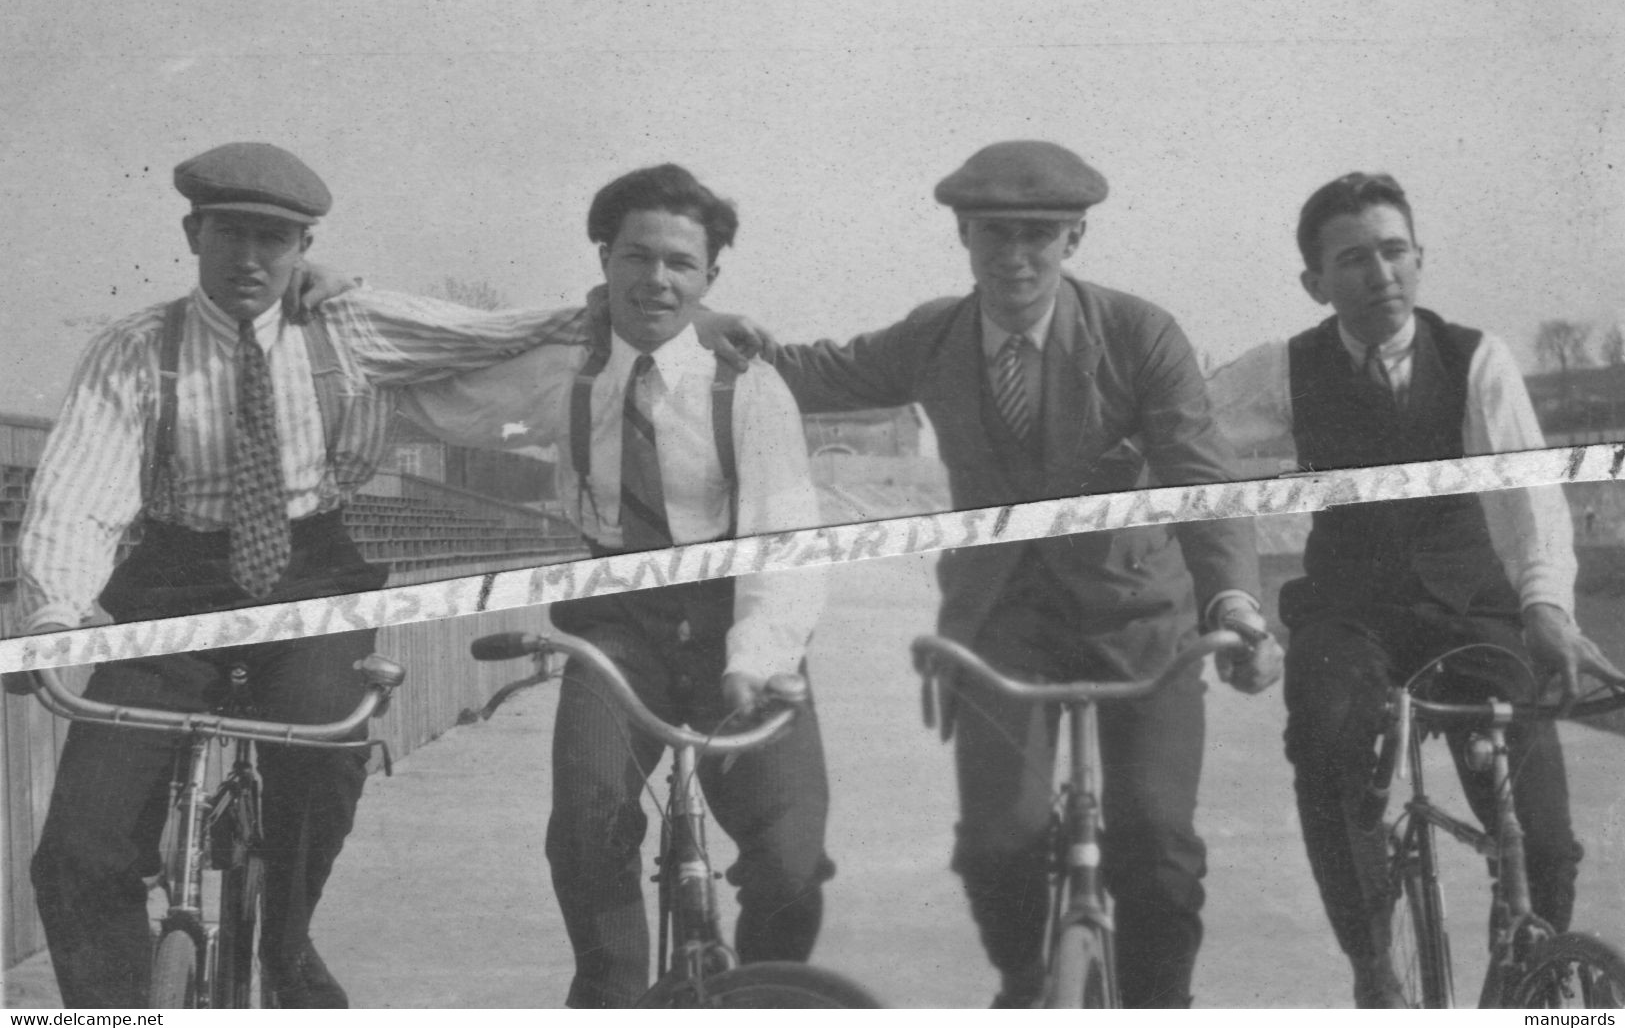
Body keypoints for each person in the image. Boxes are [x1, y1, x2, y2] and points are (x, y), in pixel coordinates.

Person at [14, 142, 592, 1008]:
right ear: (192, 232)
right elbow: (81, 494)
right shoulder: (136, 349)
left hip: (312, 577)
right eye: (232, 234)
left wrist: (653, 319)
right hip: (175, 588)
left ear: (304, 246)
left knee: (328, 748)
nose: (251, 259)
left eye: (275, 240)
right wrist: (57, 616)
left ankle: (284, 945)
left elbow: (502, 331)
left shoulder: (347, 324)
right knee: (79, 850)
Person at [712, 141, 1283, 1008]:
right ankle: (1026, 981)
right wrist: (718, 332)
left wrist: (1234, 603)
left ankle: (1162, 1008)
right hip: (998, 628)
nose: (1015, 257)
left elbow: (1199, 478)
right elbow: (813, 374)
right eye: (992, 236)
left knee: (1157, 848)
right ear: (963, 237)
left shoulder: (1138, 334)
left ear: (1075, 237)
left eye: (1038, 236)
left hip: (1137, 623)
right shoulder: (936, 336)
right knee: (995, 844)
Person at [380, 164, 832, 1008]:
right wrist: (342, 339)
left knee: (790, 856)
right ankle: (613, 996)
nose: (655, 279)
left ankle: (766, 997)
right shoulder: (565, 376)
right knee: (586, 824)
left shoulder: (750, 386)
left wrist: (757, 657)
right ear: (603, 260)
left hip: (740, 617)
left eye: (679, 263)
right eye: (635, 256)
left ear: (709, 279)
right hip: (616, 627)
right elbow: (445, 400)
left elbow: (786, 541)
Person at [1208, 171, 1623, 1007]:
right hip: (1348, 613)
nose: (1380, 273)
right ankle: (1376, 972)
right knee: (1325, 740)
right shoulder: (1286, 368)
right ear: (1314, 283)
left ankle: (1527, 991)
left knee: (1540, 836)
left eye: (1394, 251)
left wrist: (1543, 605)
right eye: (1353, 258)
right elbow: (1187, 430)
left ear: (1420, 259)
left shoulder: (1476, 360)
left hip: (1469, 608)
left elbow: (1528, 492)